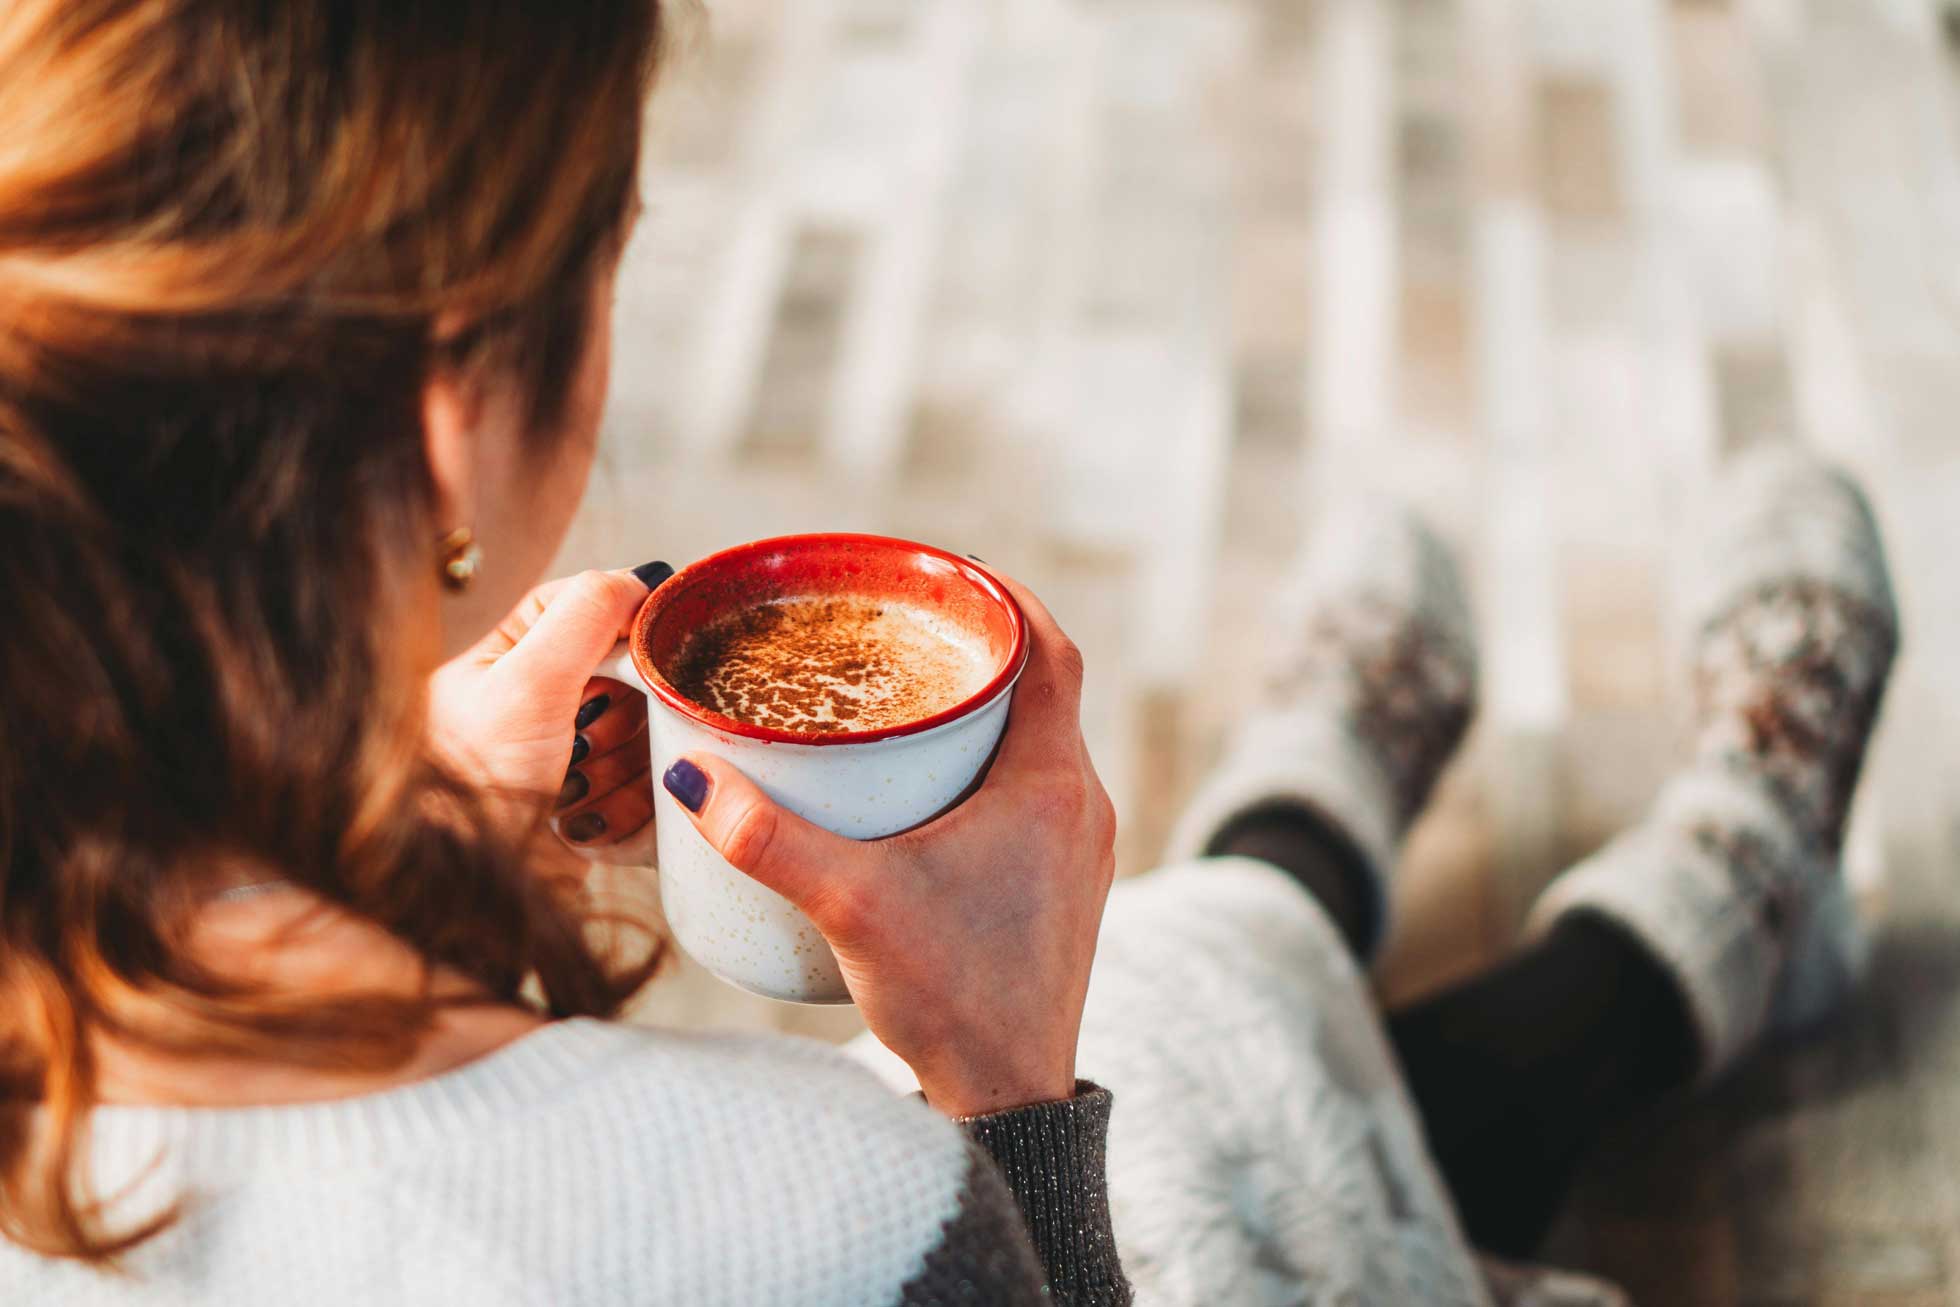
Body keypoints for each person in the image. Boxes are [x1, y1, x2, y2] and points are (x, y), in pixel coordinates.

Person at [0, 5, 1898, 1307]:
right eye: (608, 261)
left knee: (1206, 999)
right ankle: (1670, 906)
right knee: (1172, 998)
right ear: (448, 421)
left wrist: (404, 821)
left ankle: (1357, 830)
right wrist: (1006, 1091)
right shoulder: (823, 1220)